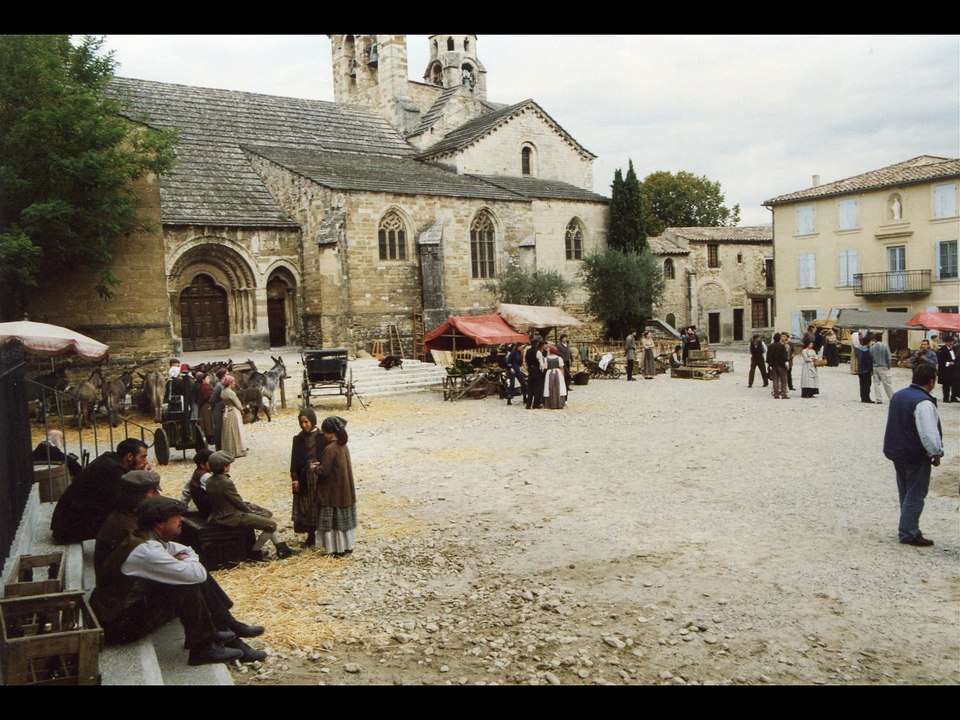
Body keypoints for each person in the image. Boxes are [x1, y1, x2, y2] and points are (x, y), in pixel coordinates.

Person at [94, 476, 267, 663]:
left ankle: (222, 629)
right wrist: (189, 561)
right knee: (186, 583)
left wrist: (187, 559)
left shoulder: (146, 536)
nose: (182, 520)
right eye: (176, 516)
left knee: (186, 576)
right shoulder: (146, 549)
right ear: (160, 523)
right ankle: (205, 645)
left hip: (119, 611)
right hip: (118, 624)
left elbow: (184, 551)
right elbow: (196, 574)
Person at [882, 364, 944, 546]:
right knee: (916, 494)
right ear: (931, 381)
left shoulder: (899, 395)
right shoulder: (924, 403)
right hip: (914, 453)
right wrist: (936, 453)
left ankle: (907, 524)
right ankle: (909, 532)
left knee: (905, 492)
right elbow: (928, 433)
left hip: (897, 451)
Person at [51, 438, 150, 544]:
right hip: (68, 529)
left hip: (68, 523)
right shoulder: (111, 469)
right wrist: (144, 477)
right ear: (130, 457)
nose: (146, 461)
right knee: (127, 517)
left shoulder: (110, 460)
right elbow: (130, 502)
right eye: (143, 457)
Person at [205, 451, 298, 561]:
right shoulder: (225, 482)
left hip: (219, 515)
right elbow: (237, 501)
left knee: (266, 515)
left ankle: (281, 547)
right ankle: (255, 553)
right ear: (225, 467)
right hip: (231, 516)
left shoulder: (209, 480)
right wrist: (250, 511)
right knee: (271, 524)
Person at [316, 416, 358, 557]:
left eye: (325, 433)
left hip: (332, 492)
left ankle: (335, 549)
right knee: (343, 524)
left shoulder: (330, 449)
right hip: (344, 490)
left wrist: (314, 468)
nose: (324, 436)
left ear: (330, 433)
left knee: (334, 523)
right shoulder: (343, 446)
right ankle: (347, 546)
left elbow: (325, 470)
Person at [290, 408, 328, 547]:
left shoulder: (322, 437)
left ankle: (323, 535)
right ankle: (310, 535)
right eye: (301, 423)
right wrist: (294, 478)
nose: (304, 425)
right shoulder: (298, 439)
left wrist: (321, 464)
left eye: (306, 422)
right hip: (304, 475)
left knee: (320, 503)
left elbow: (327, 456)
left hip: (318, 475)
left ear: (312, 421)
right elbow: (294, 460)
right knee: (306, 505)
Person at [219, 374, 247, 458]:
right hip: (233, 412)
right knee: (235, 430)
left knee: (227, 431)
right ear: (230, 383)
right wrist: (242, 409)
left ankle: (228, 449)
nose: (234, 383)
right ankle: (236, 450)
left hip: (226, 412)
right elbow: (237, 403)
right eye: (233, 381)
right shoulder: (231, 392)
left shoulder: (223, 392)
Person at [181, 448, 214, 515]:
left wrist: (183, 506)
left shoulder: (197, 473)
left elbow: (186, 491)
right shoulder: (205, 476)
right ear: (202, 465)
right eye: (211, 462)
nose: (214, 463)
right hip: (211, 511)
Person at [869, 331, 895, 404]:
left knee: (876, 384)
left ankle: (878, 399)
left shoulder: (872, 348)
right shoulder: (885, 346)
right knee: (887, 383)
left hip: (875, 367)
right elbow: (888, 357)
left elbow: (871, 358)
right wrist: (889, 366)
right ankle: (892, 397)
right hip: (883, 366)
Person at [936, 334, 959, 402]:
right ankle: (946, 398)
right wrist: (949, 363)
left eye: (952, 341)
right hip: (945, 370)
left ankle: (953, 397)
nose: (951, 343)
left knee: (955, 383)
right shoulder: (942, 350)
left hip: (954, 370)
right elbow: (940, 361)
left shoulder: (956, 349)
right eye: (949, 342)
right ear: (946, 342)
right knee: (946, 384)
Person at [766, 333, 789, 399]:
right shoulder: (782, 346)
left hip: (773, 365)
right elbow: (784, 356)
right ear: (779, 339)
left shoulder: (770, 346)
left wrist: (769, 364)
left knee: (775, 380)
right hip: (781, 364)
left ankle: (776, 394)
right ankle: (784, 394)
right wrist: (786, 363)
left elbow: (768, 357)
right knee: (783, 380)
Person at [525, 340, 545, 409]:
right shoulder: (538, 352)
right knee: (537, 388)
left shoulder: (527, 351)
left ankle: (528, 404)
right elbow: (541, 363)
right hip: (536, 370)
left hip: (530, 369)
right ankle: (535, 404)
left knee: (530, 388)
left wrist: (528, 368)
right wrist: (542, 370)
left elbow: (525, 361)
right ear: (537, 344)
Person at [210, 368, 227, 450]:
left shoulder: (223, 385)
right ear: (223, 376)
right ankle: (219, 447)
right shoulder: (218, 386)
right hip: (218, 409)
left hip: (222, 408)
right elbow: (212, 399)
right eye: (227, 374)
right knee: (218, 428)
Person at [196, 372, 215, 444]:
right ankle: (210, 437)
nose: (209, 379)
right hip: (205, 406)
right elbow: (207, 396)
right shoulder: (204, 387)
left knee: (208, 421)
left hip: (206, 405)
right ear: (203, 380)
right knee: (207, 421)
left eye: (209, 378)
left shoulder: (207, 386)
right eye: (207, 378)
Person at [856, 335, 874, 403]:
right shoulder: (866, 351)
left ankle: (862, 397)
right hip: (866, 370)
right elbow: (868, 361)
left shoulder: (860, 350)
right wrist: (871, 369)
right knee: (867, 385)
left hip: (860, 370)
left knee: (862, 385)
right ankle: (866, 398)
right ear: (868, 342)